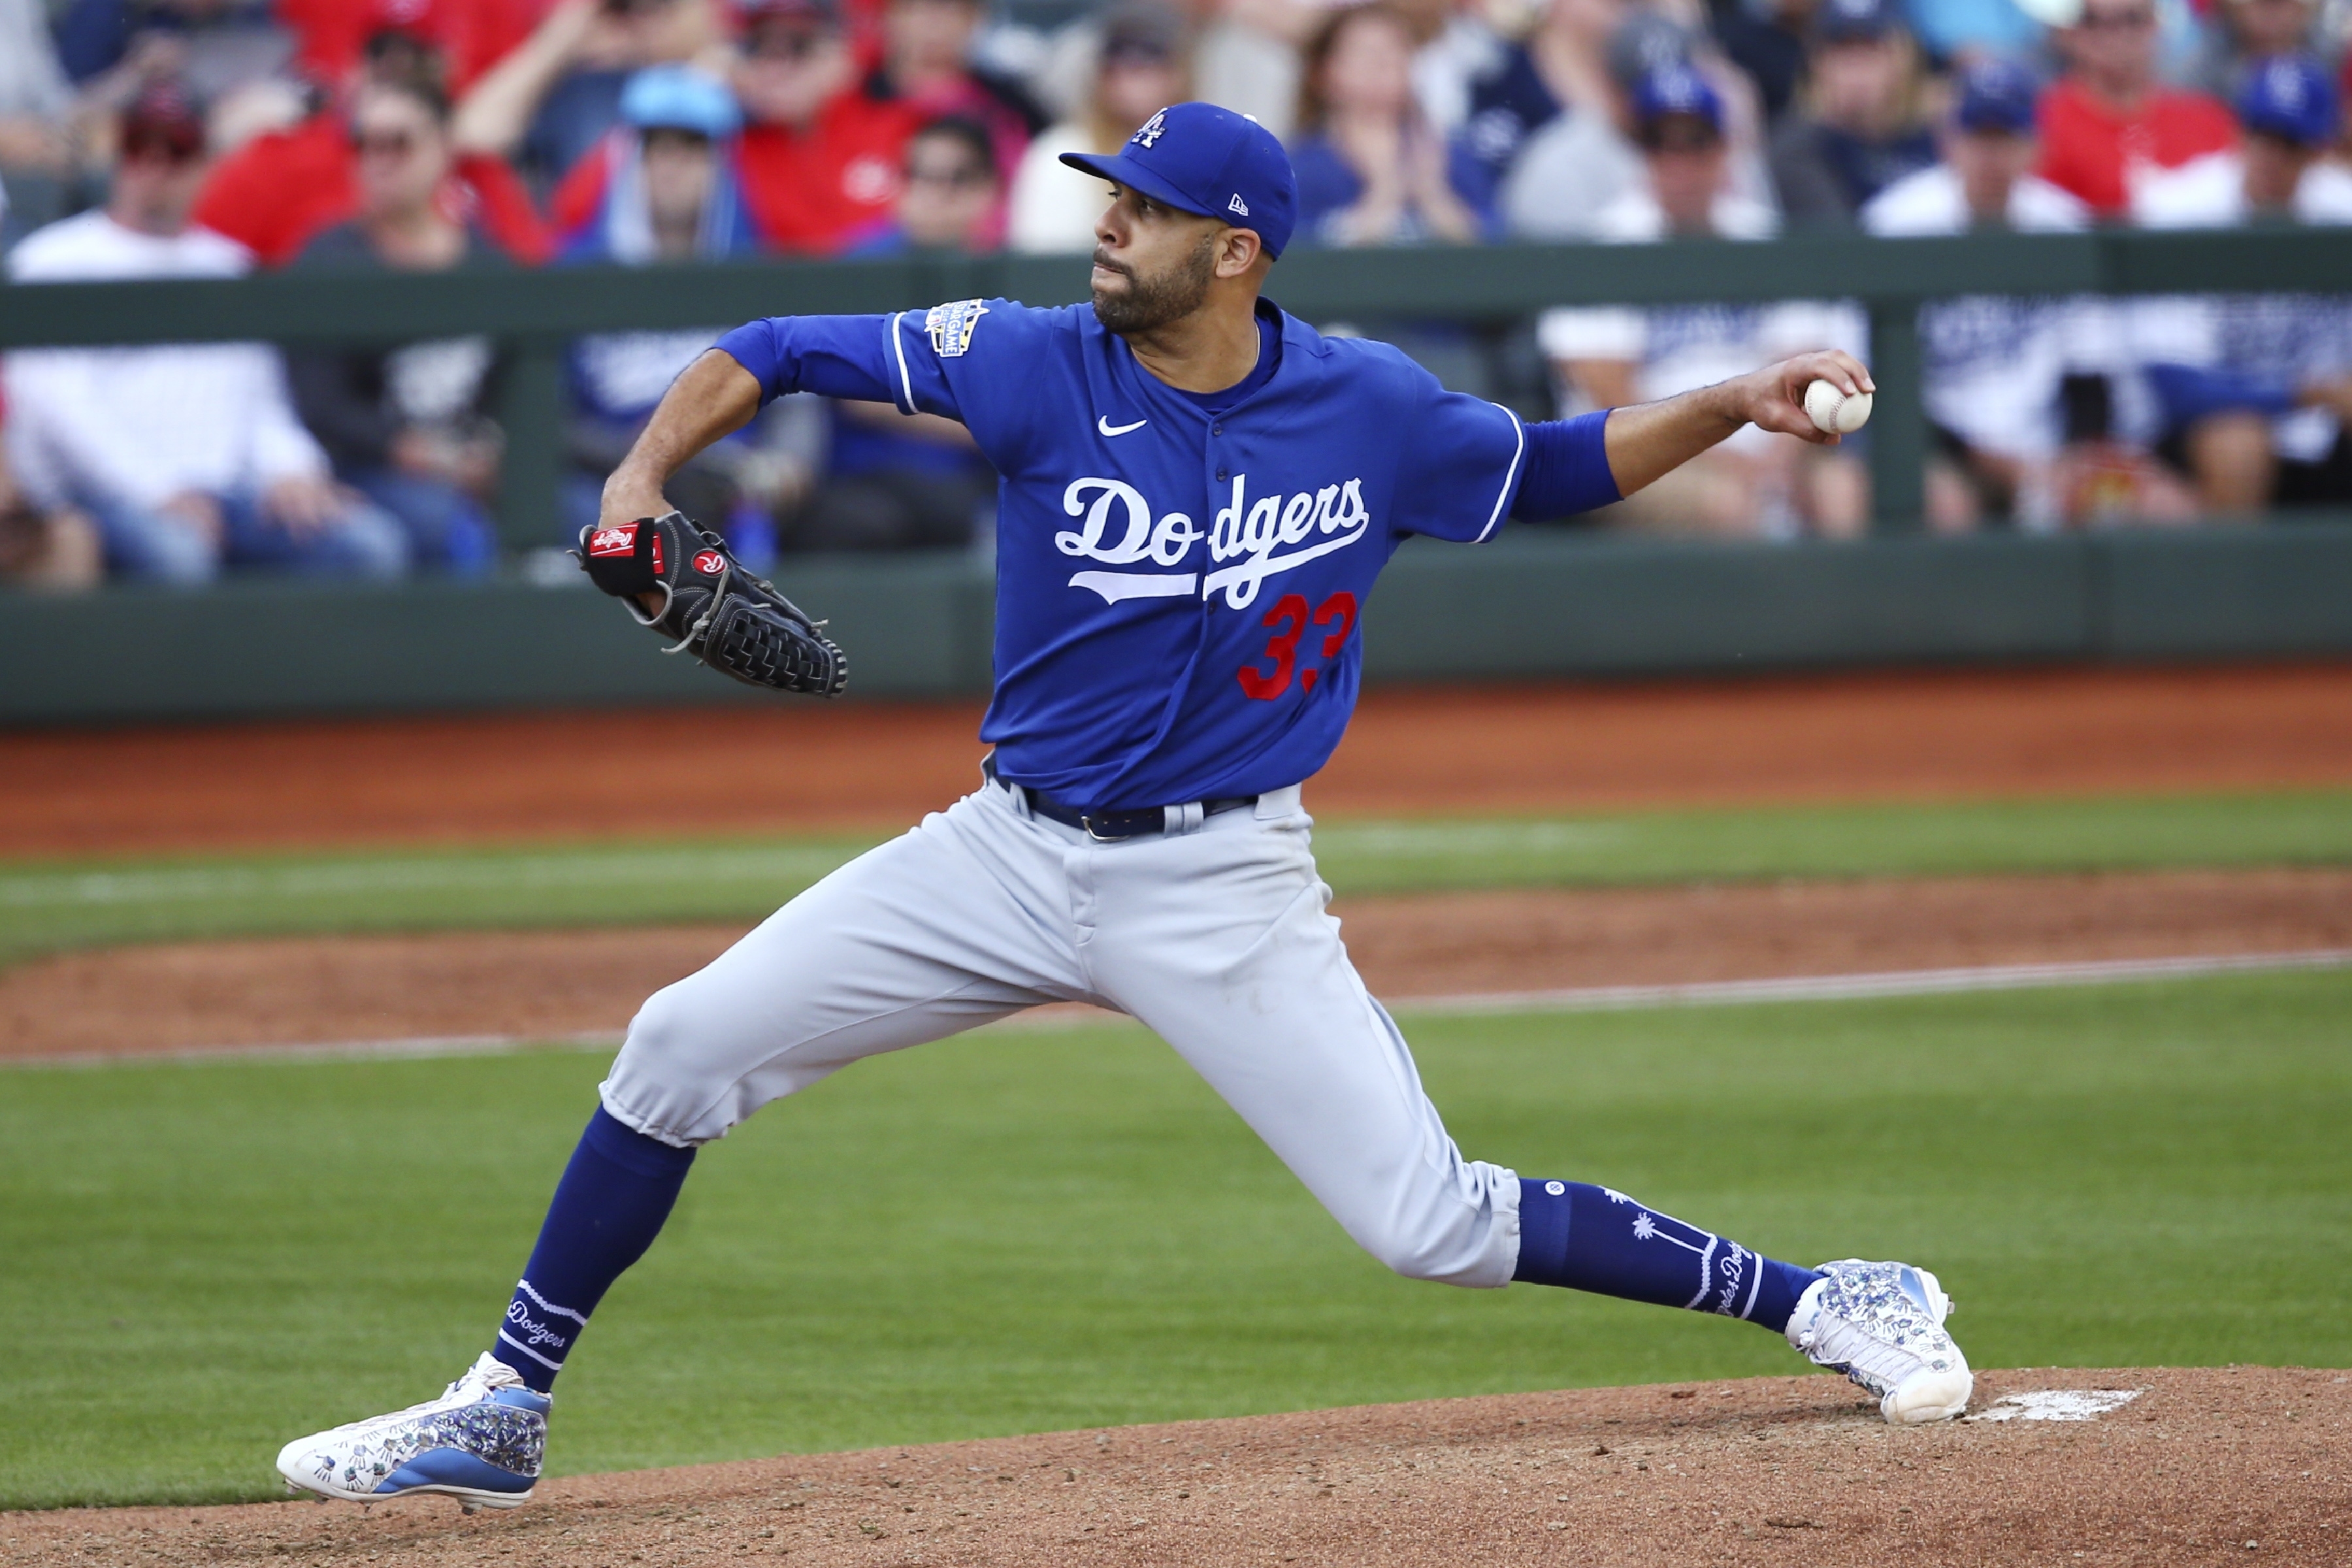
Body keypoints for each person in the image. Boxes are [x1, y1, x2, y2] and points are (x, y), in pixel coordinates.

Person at [273, 99, 1972, 1512]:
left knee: (1427, 1223)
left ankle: (1834, 1293)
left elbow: (1548, 466)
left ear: (1234, 252)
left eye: (1145, 207)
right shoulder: (1027, 364)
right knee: (677, 1046)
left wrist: (1728, 403)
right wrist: (641, 484)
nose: (1106, 224)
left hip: (1225, 883)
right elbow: (771, 345)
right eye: (1108, 191)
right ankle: (503, 1406)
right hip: (1005, 854)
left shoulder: (1366, 405)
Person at [5, 84, 408, 585]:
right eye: (138, 148)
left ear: (206, 163)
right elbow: (61, 410)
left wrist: (293, 470)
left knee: (368, 545)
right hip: (99, 495)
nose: (154, 167)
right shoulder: (52, 261)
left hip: (230, 492)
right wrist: (156, 491)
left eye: (176, 150)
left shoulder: (229, 267)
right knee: (180, 558)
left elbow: (262, 402)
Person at [1538, 65, 1868, 536]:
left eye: (1696, 144)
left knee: (1841, 490)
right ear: (1642, 154)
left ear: (1723, 150)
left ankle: (1849, 614)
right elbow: (1609, 391)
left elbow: (1804, 359)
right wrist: (1734, 463)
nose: (1680, 164)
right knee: (1728, 507)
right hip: (1644, 456)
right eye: (1662, 145)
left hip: (1771, 444)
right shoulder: (1607, 245)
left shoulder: (1762, 237)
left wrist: (1776, 462)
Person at [557, 65, 809, 559]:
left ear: (721, 162)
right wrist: (641, 460)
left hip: (735, 482)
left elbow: (799, 407)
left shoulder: (759, 269)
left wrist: (784, 468)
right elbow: (549, 414)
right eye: (657, 148)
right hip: (607, 475)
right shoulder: (577, 272)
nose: (672, 165)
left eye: (692, 148)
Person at [1861, 58, 2110, 529]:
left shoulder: (2063, 226)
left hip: (2047, 449)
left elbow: (2091, 375)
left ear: (2035, 146)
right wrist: (1979, 457)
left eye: (2007, 138)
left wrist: (2077, 458)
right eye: (1980, 137)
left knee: (2137, 503)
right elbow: (1874, 385)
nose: (1992, 156)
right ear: (1949, 141)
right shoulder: (1898, 223)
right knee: (1946, 507)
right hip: (1936, 446)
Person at [285, 73, 505, 575]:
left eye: (398, 144)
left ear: (444, 147)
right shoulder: (325, 261)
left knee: (580, 513)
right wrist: (407, 450)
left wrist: (494, 457)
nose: (377, 160)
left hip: (477, 462)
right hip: (367, 467)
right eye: (364, 144)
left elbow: (519, 384)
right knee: (442, 521)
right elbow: (320, 405)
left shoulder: (488, 266)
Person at [2126, 54, 2352, 513]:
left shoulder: (2340, 209)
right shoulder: (2180, 206)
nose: (2272, 157)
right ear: (2239, 133)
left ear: (2320, 150)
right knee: (2239, 445)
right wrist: (2304, 393)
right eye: (2261, 136)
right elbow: (2172, 383)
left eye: (2291, 144)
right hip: (2202, 424)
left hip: (2323, 422)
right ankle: (2228, 586)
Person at [193, 25, 550, 265]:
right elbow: (196, 260)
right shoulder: (278, 159)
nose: (398, 68)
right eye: (380, 55)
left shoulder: (477, 167)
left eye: (415, 59)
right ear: (351, 67)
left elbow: (529, 279)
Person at [727, 0, 923, 252]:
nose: (775, 66)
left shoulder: (901, 124)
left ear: (840, 52)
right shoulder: (732, 142)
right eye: (757, 48)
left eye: (799, 46)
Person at [1288, 0, 1487, 244]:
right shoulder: (1301, 168)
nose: (1383, 63)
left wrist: (1434, 195)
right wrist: (1383, 194)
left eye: (1397, 51)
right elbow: (1297, 256)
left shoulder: (1451, 158)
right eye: (1366, 53)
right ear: (1324, 71)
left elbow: (1495, 248)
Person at [1006, 0, 1189, 253]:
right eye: (1123, 66)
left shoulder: (1201, 155)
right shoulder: (1060, 152)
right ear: (1100, 76)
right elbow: (1045, 266)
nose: (1136, 83)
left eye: (1150, 66)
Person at [2035, 0, 2235, 216]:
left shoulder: (2207, 122)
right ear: (2069, 32)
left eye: (2132, 20)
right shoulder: (2043, 123)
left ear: (2156, 26)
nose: (2113, 35)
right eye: (2093, 21)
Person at [1767, 0, 1938, 225]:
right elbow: (1843, 242)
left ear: (1901, 61)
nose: (1857, 68)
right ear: (1817, 64)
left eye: (1871, 51)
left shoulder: (1934, 136)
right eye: (1843, 52)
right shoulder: (1797, 147)